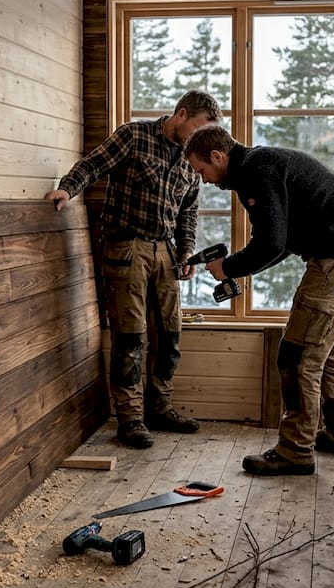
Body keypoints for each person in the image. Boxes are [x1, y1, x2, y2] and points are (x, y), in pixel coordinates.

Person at [182, 125, 334, 476]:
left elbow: (271, 243)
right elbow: (283, 242)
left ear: (217, 156)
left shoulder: (256, 173)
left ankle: (294, 450)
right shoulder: (261, 164)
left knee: (297, 355)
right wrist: (233, 270)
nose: (205, 180)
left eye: (202, 171)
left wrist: (228, 266)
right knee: (327, 347)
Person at [45, 90, 223, 449]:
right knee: (130, 337)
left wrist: (186, 251)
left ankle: (160, 407)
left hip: (167, 252)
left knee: (169, 337)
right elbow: (92, 164)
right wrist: (67, 189)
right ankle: (130, 418)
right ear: (182, 113)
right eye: (198, 129)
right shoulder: (134, 136)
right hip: (126, 248)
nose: (199, 138)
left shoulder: (192, 159)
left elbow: (188, 211)